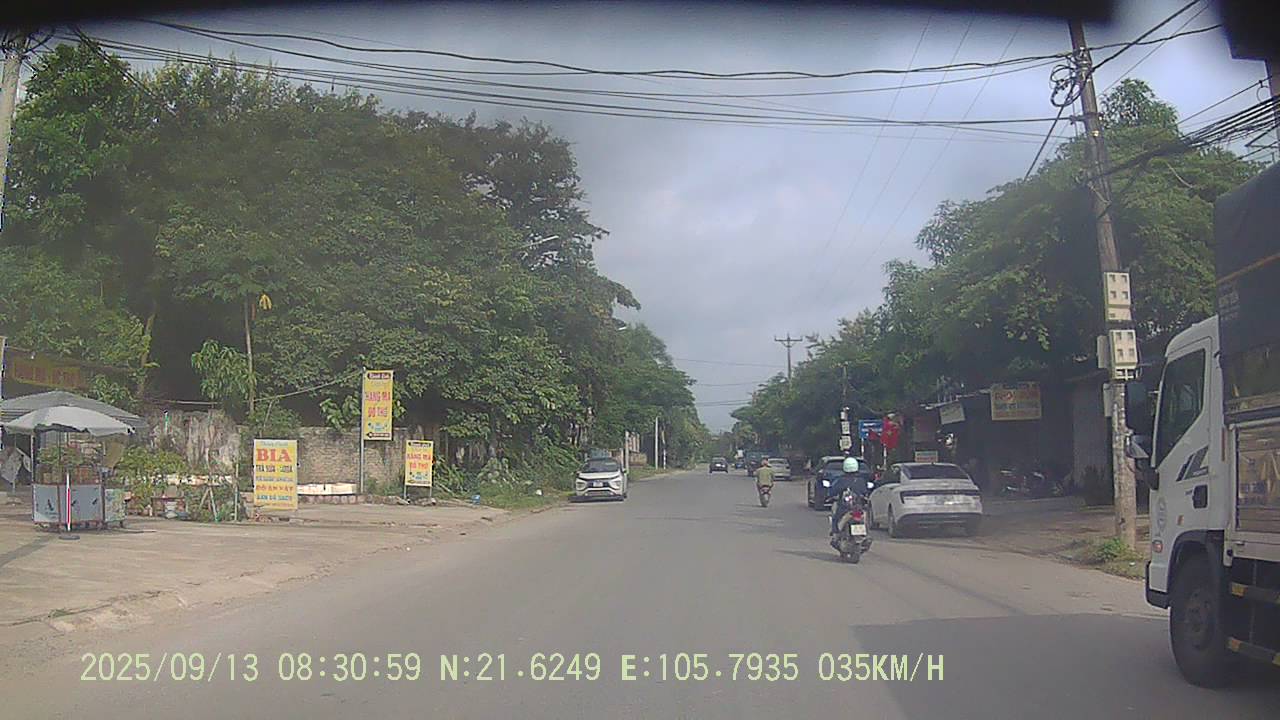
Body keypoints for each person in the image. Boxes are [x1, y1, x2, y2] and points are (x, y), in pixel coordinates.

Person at [829, 456, 870, 537]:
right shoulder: (861, 480)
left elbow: (832, 491)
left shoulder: (841, 480)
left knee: (835, 517)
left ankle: (835, 533)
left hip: (845, 508)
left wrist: (830, 496)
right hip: (858, 507)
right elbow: (865, 492)